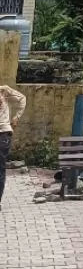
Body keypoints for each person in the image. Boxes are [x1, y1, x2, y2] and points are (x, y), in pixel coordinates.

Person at [0, 82, 26, 212]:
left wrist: (16, 117)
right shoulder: (3, 91)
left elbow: (22, 99)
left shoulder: (3, 91)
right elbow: (22, 99)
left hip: (3, 134)